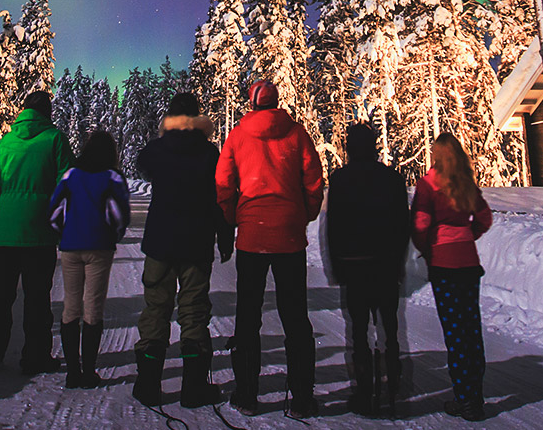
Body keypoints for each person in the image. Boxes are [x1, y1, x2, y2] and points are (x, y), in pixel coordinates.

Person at [215, 79, 325, 418]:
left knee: (248, 317)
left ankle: (247, 394)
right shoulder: (297, 134)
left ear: (252, 103)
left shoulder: (237, 135)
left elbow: (223, 183)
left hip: (252, 237)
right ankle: (302, 399)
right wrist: (303, 215)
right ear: (276, 102)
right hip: (289, 237)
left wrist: (236, 218)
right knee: (295, 317)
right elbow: (314, 181)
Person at [132, 92, 234, 408]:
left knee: (155, 308)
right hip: (196, 241)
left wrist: (165, 137)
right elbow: (220, 197)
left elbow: (142, 164)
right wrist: (225, 237)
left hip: (161, 242)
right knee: (194, 311)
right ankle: (193, 388)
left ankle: (148, 385)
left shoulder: (159, 149)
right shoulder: (209, 152)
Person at [0, 90, 74, 374]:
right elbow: (67, 183)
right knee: (37, 299)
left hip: (7, 234)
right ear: (48, 112)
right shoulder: (55, 139)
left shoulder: (6, 141)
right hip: (40, 234)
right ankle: (35, 358)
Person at [325, 122, 410, 417]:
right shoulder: (392, 179)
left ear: (350, 147)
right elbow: (403, 226)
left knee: (358, 330)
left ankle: (364, 392)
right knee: (390, 327)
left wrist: (336, 266)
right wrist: (399, 262)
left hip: (354, 266)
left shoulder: (340, 179)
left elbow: (333, 227)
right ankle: (394, 385)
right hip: (385, 265)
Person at [410, 131, 493, 422]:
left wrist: (427, 248)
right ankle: (476, 395)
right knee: (471, 328)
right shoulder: (465, 183)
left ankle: (464, 398)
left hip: (444, 264)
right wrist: (468, 235)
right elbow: (485, 218)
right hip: (469, 263)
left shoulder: (428, 184)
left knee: (454, 331)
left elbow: (420, 223)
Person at [49, 131, 132, 388]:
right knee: (93, 309)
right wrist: (112, 236)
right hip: (100, 249)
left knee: (70, 307)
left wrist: (64, 235)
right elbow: (121, 216)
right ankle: (89, 372)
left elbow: (54, 210)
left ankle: (72, 372)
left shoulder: (71, 175)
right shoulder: (113, 177)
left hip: (71, 247)